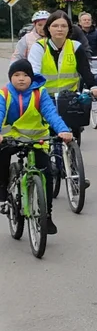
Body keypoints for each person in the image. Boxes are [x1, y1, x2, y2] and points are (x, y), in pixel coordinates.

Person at [0, 59, 73, 235]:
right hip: (11, 138)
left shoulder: (40, 93)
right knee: (1, 159)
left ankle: (46, 215)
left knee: (47, 173)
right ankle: (3, 192)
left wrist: (63, 130)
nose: (21, 79)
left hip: (37, 139)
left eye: (26, 75)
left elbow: (51, 113)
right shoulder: (4, 93)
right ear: (11, 78)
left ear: (31, 78)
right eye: (16, 75)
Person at [28, 10, 97, 143]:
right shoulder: (39, 47)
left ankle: (72, 158)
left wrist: (94, 86)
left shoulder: (75, 47)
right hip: (45, 97)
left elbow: (85, 71)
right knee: (47, 137)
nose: (59, 29)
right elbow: (34, 72)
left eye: (63, 26)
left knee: (73, 134)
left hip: (69, 97)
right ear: (48, 28)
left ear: (69, 29)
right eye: (55, 26)